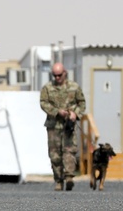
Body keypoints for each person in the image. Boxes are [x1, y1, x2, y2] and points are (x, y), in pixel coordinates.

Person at [39, 62, 86, 191]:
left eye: (59, 75)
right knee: (55, 154)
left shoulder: (74, 87)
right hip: (54, 125)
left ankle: (69, 177)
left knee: (69, 151)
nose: (57, 78)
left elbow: (82, 103)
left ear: (64, 73)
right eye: (55, 75)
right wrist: (56, 111)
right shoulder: (47, 88)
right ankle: (58, 180)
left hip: (68, 125)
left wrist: (75, 113)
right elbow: (43, 103)